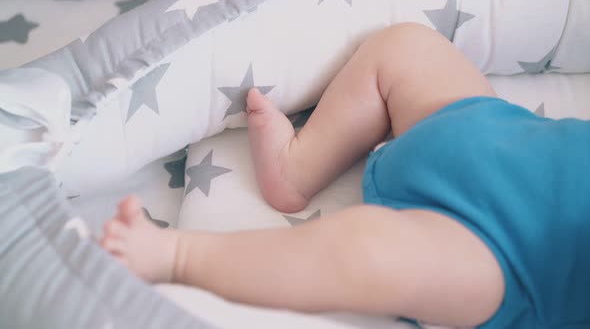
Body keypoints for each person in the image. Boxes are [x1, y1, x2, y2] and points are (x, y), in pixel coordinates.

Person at [100, 23, 590, 328]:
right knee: (409, 48)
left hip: (497, 258)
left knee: (372, 257)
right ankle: (297, 166)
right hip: (484, 126)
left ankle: (181, 257)